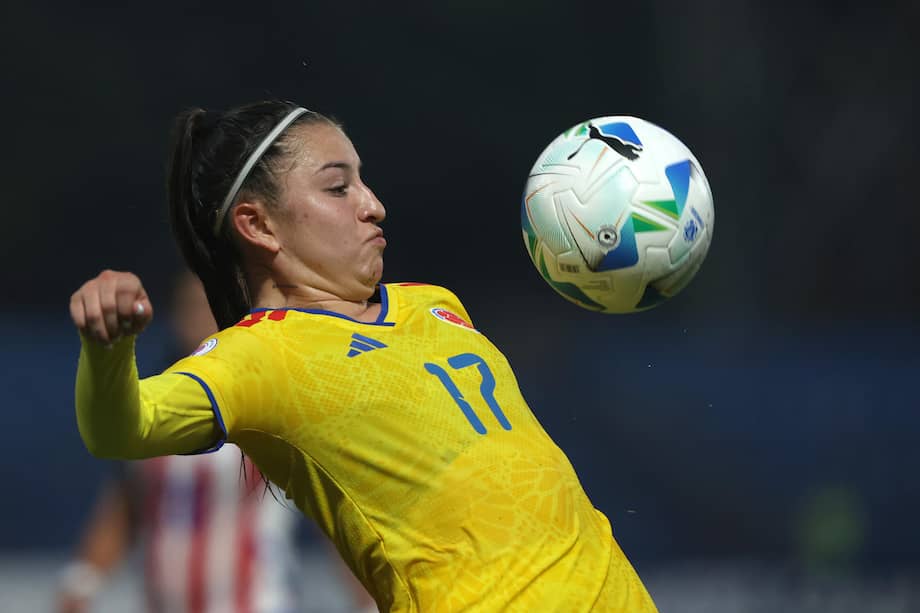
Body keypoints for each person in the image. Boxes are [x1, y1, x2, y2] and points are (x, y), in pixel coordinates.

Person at [69, 100, 658, 612]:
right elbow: (121, 431)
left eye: (363, 180)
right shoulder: (261, 356)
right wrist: (108, 349)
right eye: (337, 187)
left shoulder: (434, 302)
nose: (373, 204)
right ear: (258, 224)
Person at [60, 272, 374, 613]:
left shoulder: (267, 401)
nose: (199, 318)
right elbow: (125, 506)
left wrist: (369, 598)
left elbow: (331, 512)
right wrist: (82, 581)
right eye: (190, 307)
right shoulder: (151, 407)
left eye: (210, 307)